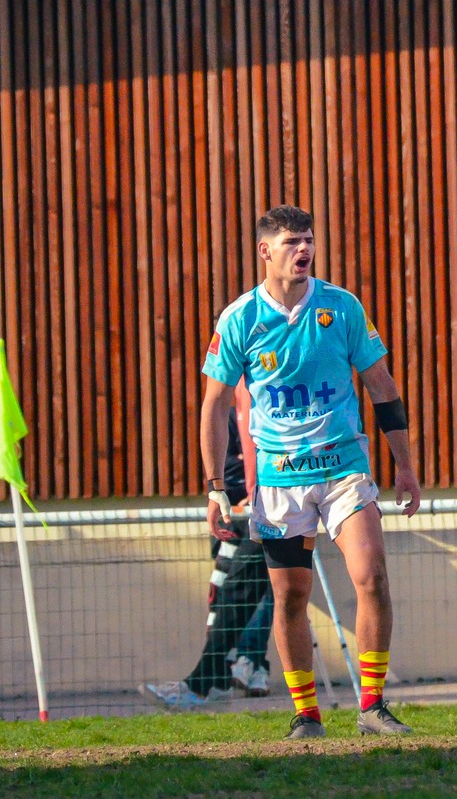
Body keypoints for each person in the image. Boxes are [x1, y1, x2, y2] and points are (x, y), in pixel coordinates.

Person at [198, 205, 423, 740]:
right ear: (265, 251)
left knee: (371, 576)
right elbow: (214, 406)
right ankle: (307, 714)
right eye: (292, 241)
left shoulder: (342, 307)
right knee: (290, 596)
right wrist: (215, 489)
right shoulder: (239, 319)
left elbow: (382, 387)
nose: (304, 250)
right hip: (280, 479)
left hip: (344, 468)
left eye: (309, 240)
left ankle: (372, 706)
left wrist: (405, 466)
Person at [144, 393, 271, 711]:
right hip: (256, 511)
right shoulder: (234, 410)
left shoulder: (266, 399)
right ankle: (210, 679)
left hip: (282, 503)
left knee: (270, 595)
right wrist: (219, 492)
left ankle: (249, 667)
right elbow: (229, 462)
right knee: (238, 589)